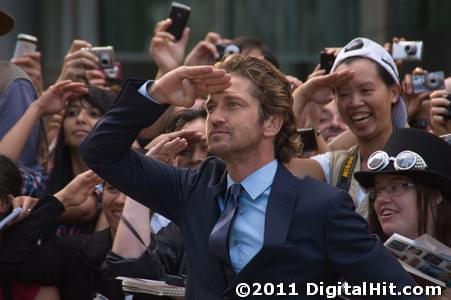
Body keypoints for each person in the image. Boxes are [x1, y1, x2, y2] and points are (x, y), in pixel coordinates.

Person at [80, 54, 421, 299]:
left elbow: (393, 288)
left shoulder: (322, 206)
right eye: (212, 107)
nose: (216, 117)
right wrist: (156, 94)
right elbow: (100, 151)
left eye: (233, 105)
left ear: (271, 123)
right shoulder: (192, 188)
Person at [290, 37, 408, 217]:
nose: (355, 102)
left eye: (366, 90)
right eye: (343, 94)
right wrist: (302, 96)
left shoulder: (419, 157)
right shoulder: (335, 166)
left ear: (394, 92)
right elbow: (272, 170)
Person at [354, 128, 451, 298]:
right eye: (376, 191)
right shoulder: (363, 271)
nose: (381, 199)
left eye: (396, 186)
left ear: (435, 195)